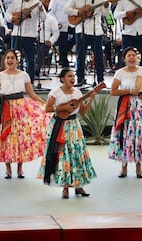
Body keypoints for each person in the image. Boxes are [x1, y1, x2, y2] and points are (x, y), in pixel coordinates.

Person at [0, 49, 50, 179]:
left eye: (12, 58)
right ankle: (8, 168)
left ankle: (20, 168)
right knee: (7, 137)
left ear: (17, 60)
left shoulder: (24, 75)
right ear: (4, 61)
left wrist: (46, 105)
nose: (10, 60)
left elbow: (32, 94)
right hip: (5, 107)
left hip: (21, 108)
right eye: (7, 58)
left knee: (21, 137)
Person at [37, 68, 97, 199]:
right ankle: (65, 187)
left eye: (74, 76)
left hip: (74, 125)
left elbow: (83, 112)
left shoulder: (77, 92)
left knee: (76, 153)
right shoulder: (56, 92)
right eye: (69, 76)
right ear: (62, 78)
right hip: (60, 125)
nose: (73, 78)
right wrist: (62, 107)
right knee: (64, 154)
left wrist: (91, 99)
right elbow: (47, 108)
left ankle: (78, 185)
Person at [108, 46, 142, 178]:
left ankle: (138, 165)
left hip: (140, 106)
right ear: (124, 58)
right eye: (129, 55)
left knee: (138, 134)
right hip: (125, 105)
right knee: (125, 133)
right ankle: (123, 166)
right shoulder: (120, 72)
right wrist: (129, 92)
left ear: (137, 57)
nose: (131, 57)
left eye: (133, 55)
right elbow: (113, 91)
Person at [65, 0, 110, 86]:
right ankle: (80, 79)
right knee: (80, 56)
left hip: (96, 31)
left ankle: (100, 80)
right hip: (81, 30)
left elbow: (105, 14)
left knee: (98, 56)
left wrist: (107, 6)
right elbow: (66, 9)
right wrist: (79, 12)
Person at [4, 0, 46, 83]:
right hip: (16, 34)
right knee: (14, 58)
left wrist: (41, 10)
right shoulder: (17, 2)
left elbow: (44, 18)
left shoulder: (37, 3)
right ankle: (14, 79)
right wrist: (13, 17)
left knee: (30, 59)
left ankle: (30, 80)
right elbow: (7, 14)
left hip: (30, 35)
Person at [49, 0, 75, 67]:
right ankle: (64, 61)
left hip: (70, 24)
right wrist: (56, 22)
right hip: (60, 25)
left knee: (77, 37)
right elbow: (51, 12)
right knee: (62, 42)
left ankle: (64, 51)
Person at [35, 0, 59, 76]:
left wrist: (51, 41)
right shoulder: (32, 18)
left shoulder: (51, 19)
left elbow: (56, 33)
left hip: (44, 42)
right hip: (32, 41)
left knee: (41, 50)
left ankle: (36, 69)